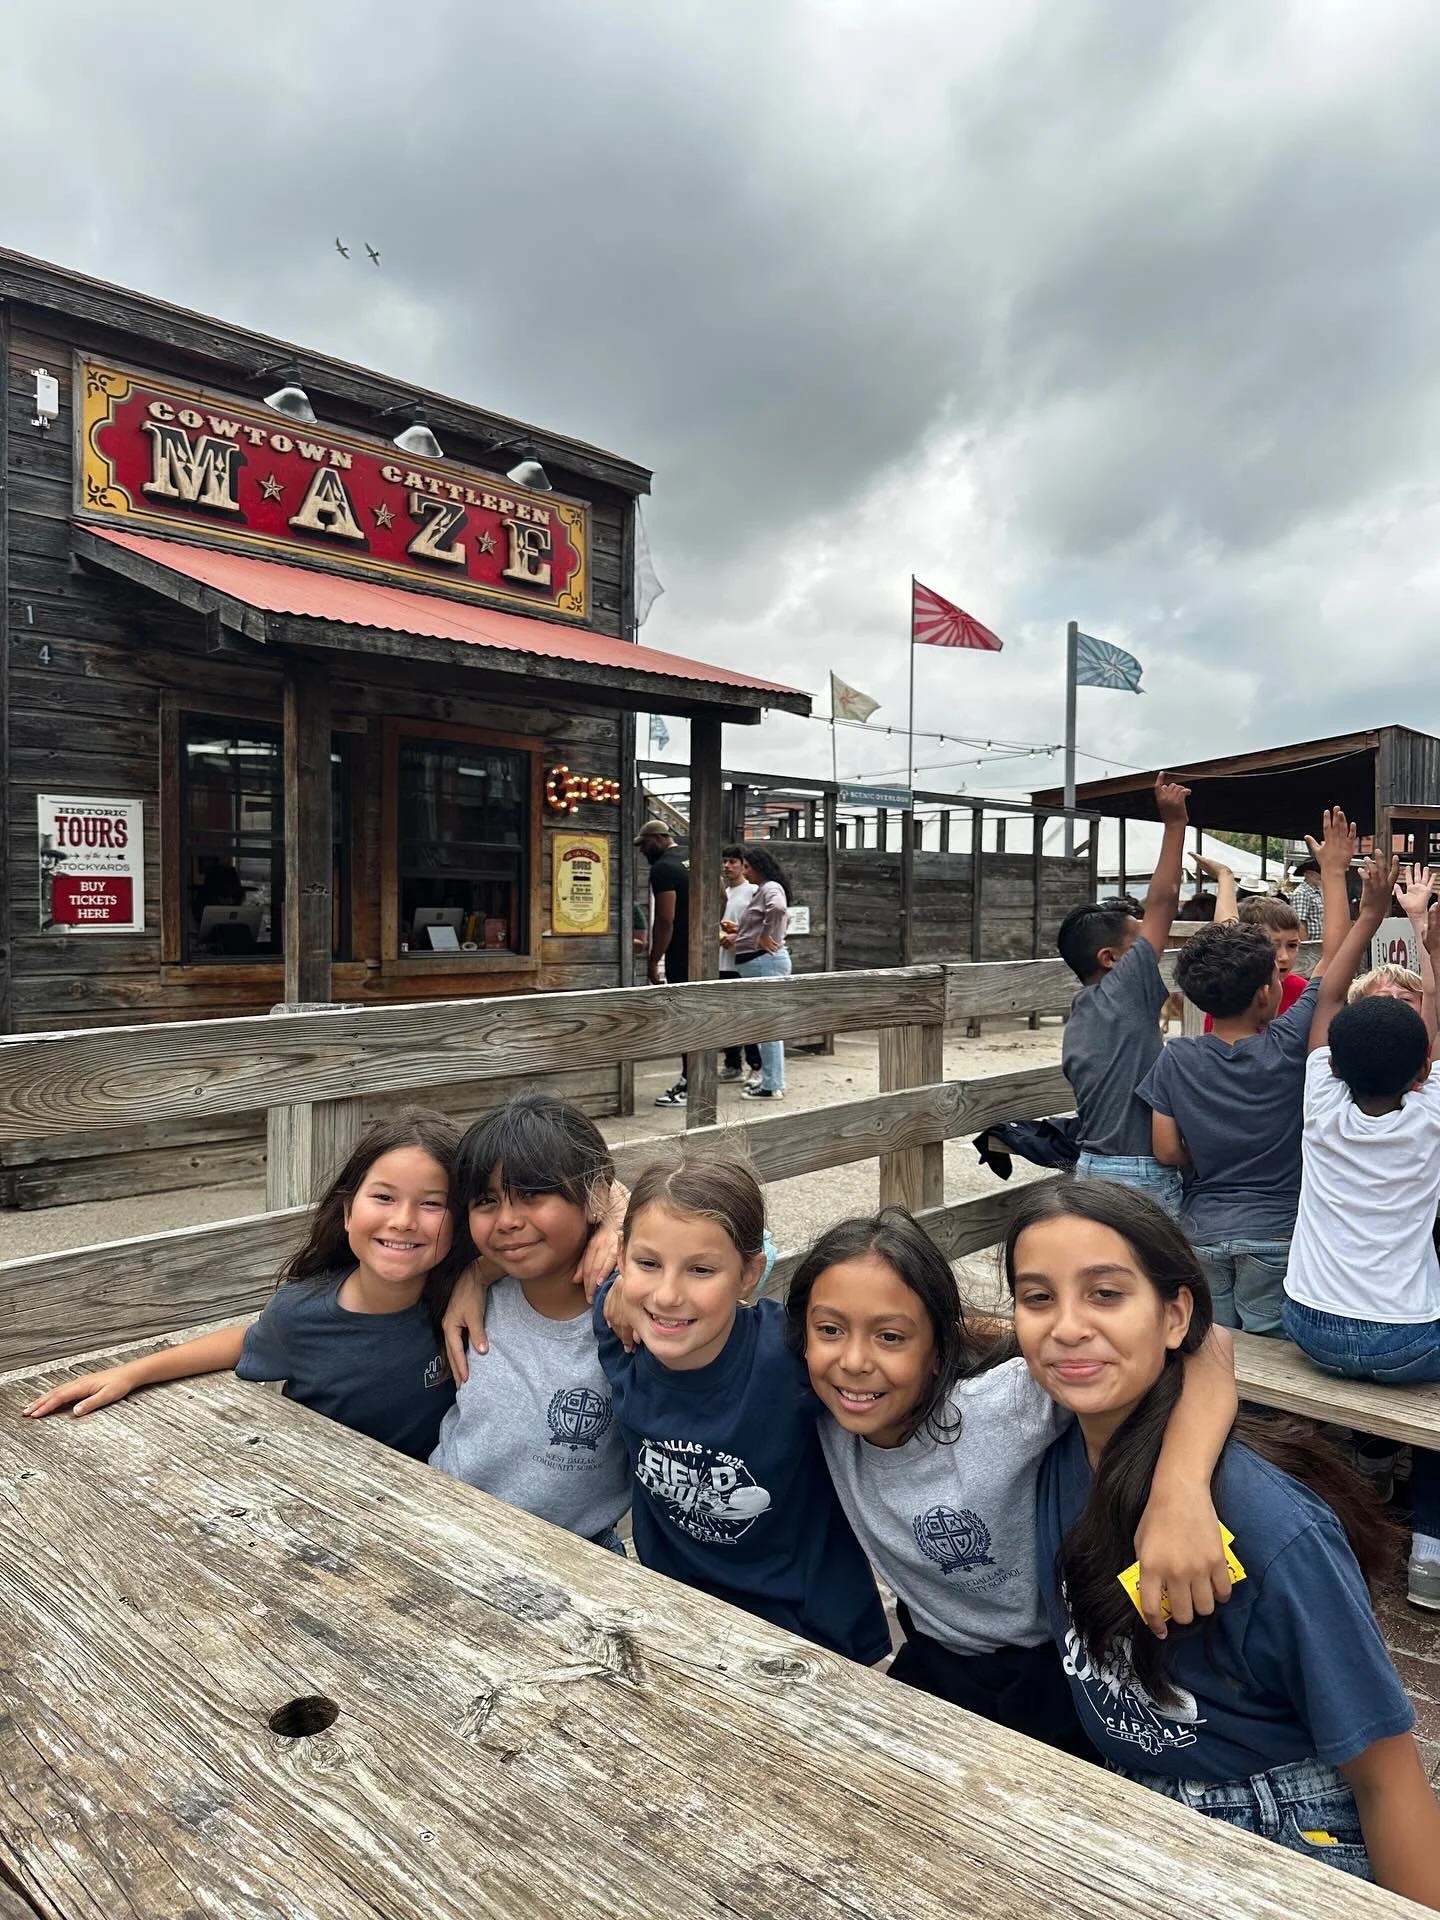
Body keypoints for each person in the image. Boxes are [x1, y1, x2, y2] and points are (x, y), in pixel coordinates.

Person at [1006, 1179, 1440, 1901]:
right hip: (1128, 1797)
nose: (1068, 1327)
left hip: (1279, 1824)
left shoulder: (1270, 1528)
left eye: (1107, 1294)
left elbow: (1388, 1776)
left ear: (1174, 1315)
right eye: (1037, 1297)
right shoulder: (1051, 1447)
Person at [783, 1207, 1239, 1751]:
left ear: (936, 1350)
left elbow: (1211, 1344)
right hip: (938, 1659)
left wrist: (1180, 1490)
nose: (854, 1361)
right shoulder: (813, 1397)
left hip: (1059, 1667)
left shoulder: (1004, 1405)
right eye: (830, 1331)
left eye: (890, 1337)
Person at [25, 1110, 464, 1461]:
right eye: (384, 1197)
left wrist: (479, 1277)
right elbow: (246, 1341)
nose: (404, 1220)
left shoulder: (464, 1297)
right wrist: (132, 1372)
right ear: (348, 1212)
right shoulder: (301, 1313)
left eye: (432, 1204)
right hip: (333, 1496)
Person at [595, 1156, 890, 1663]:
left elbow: (896, 1339)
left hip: (807, 1633)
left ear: (750, 1273)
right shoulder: (619, 1331)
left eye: (701, 1270)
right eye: (648, 1264)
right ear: (621, 1258)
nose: (667, 1295)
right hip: (676, 1621)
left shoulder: (792, 1354)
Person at [1281, 866, 1440, 1611]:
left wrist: (1372, 916)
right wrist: (1425, 934)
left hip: (1310, 1324)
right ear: (1422, 1072)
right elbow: (1431, 1036)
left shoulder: (1320, 1105)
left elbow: (1323, 1005)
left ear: (1334, 1065)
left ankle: (1362, 1475)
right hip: (1409, 1341)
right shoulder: (1430, 1117)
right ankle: (1433, 1549)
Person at [1137, 807, 1357, 1335]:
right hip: (1279, 1229)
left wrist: (1210, 1142)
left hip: (1201, 1229)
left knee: (1211, 1340)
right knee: (1272, 1342)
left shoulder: (1176, 1057)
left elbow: (1166, 1151)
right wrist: (1335, 875)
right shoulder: (1285, 1046)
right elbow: (1337, 958)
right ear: (1266, 992)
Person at [429, 1095, 631, 1552]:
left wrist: (618, 1218)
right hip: (443, 1521)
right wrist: (476, 1272)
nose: (507, 1221)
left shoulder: (631, 1310)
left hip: (577, 1553)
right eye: (486, 1201)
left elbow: (746, 1248)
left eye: (533, 1194)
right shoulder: (472, 1290)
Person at [1057, 771, 1190, 1213]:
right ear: (1110, 958)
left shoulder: (1083, 1006)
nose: (1153, 945)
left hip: (1091, 1166)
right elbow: (1165, 899)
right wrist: (1174, 825)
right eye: (1139, 942)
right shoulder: (1124, 987)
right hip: (1140, 1171)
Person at [1198, 868, 1311, 1032]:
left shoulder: (1303, 992)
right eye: (1273, 945)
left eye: (1292, 945)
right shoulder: (1226, 997)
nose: (1284, 956)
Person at [729, 845, 792, 1101]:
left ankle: (771, 1085)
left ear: (756, 867)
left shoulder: (770, 887)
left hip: (764, 962)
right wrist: (740, 932)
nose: (744, 871)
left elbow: (777, 909)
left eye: (746, 866)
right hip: (760, 962)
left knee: (769, 1027)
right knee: (767, 1026)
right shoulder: (764, 889)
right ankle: (771, 1081)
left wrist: (765, 935)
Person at [638, 819, 692, 1109]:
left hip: (680, 953)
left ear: (658, 839)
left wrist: (654, 960)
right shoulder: (692, 857)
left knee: (684, 1017)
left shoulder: (662, 869)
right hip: (703, 950)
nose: (642, 851)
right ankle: (697, 1078)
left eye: (644, 844)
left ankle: (689, 1084)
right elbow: (720, 895)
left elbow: (665, 920)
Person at [718, 844, 762, 1085]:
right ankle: (732, 1064)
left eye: (733, 861)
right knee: (727, 1017)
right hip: (722, 960)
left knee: (747, 1016)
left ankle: (756, 1066)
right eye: (725, 861)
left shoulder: (753, 891)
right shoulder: (722, 890)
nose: (727, 866)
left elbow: (759, 924)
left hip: (744, 961)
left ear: (744, 865)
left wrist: (739, 937)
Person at [1289, 853, 1326, 940]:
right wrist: (1305, 948)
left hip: (1317, 944)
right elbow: (1299, 924)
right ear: (1307, 874)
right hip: (1310, 946)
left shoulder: (1317, 892)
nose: (1321, 875)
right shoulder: (1302, 893)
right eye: (1318, 871)